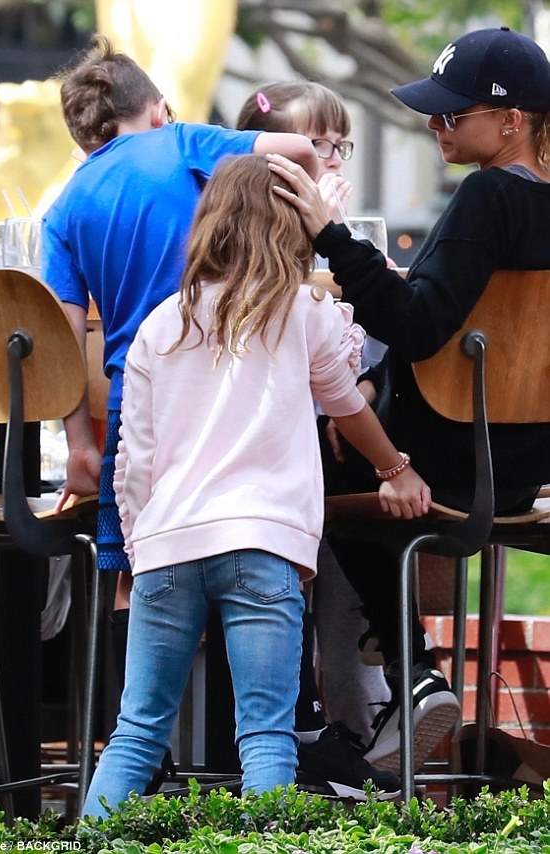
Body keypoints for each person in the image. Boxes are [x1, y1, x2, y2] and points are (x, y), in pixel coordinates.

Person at [82, 153, 431, 817]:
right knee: (266, 735)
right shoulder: (302, 312)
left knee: (136, 732)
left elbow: (134, 460)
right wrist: (395, 468)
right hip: (262, 546)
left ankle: (89, 843)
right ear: (292, 230)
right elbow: (347, 406)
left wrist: (139, 546)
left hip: (166, 544)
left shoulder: (162, 323)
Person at [266, 25, 550, 775]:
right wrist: (373, 382)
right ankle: (404, 685)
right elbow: (459, 333)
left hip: (441, 461)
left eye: (452, 114)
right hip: (522, 468)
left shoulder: (488, 195)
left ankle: (398, 679)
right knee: (352, 433)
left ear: (511, 121)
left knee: (313, 461)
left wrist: (331, 235)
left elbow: (417, 325)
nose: (434, 125)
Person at [40, 34, 317, 769]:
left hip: (137, 401)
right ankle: (244, 757)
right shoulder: (181, 141)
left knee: (136, 571)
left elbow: (61, 342)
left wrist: (79, 444)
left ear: (83, 137)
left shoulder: (64, 206)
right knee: (250, 558)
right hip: (236, 374)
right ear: (157, 109)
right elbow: (298, 147)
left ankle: (142, 762)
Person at [235, 81, 392, 751]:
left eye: (338, 145)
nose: (329, 159)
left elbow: (379, 339)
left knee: (347, 551)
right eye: (313, 144)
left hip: (327, 454)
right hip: (253, 468)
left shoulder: (346, 243)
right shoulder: (234, 241)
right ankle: (326, 729)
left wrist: (339, 243)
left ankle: (362, 727)